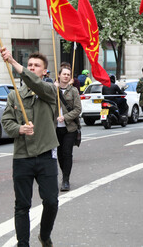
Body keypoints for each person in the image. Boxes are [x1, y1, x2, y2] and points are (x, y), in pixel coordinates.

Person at [0, 47, 59, 247]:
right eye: (30, 65)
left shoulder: (50, 91)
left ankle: (44, 234)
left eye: (37, 66)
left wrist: (14, 63)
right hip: (22, 156)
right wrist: (20, 129)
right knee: (22, 205)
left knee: (51, 201)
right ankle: (22, 244)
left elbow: (35, 84)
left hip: (45, 154)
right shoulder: (14, 96)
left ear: (44, 72)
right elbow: (6, 122)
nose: (32, 68)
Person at [55, 64, 81, 192]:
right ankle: (63, 173)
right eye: (64, 74)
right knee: (59, 154)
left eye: (68, 75)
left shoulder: (73, 91)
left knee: (67, 153)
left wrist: (65, 117)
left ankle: (66, 179)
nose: (66, 76)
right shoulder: (53, 89)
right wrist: (54, 90)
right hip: (55, 128)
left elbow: (78, 109)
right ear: (59, 75)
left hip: (69, 128)